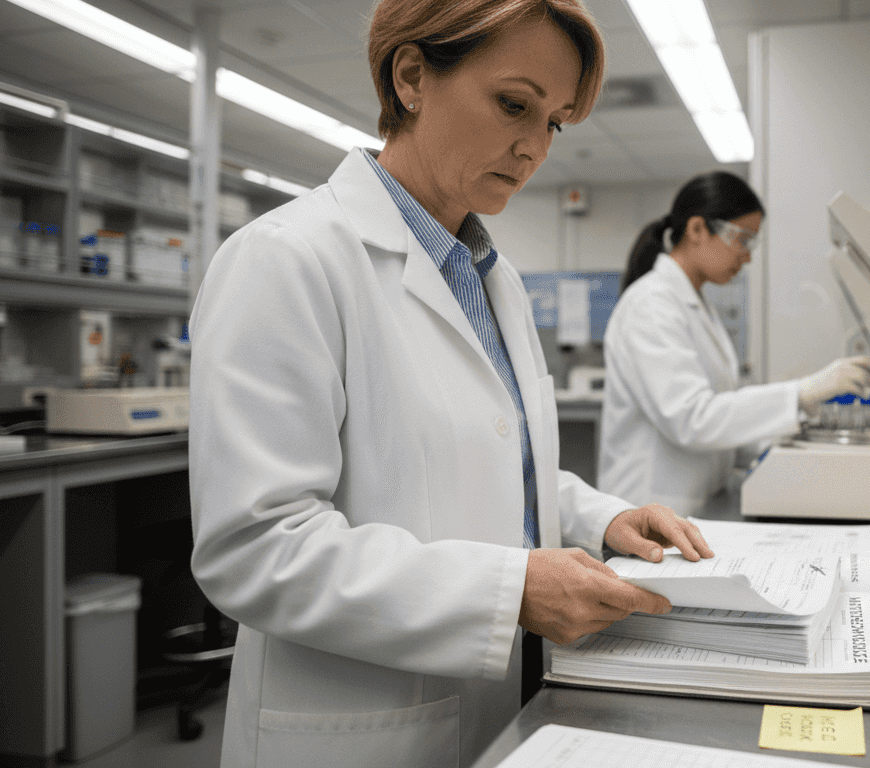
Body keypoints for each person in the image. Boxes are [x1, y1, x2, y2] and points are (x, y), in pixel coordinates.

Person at [187, 2, 713, 767]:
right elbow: (256, 547)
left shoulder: (490, 277)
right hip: (358, 730)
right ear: (411, 78)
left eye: (555, 123)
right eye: (513, 104)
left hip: (503, 709)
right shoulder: (285, 259)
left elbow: (495, 463)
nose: (535, 147)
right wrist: (509, 592)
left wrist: (601, 518)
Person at [599, 172, 870, 516]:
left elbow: (722, 419)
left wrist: (801, 429)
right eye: (743, 239)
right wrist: (799, 393)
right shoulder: (650, 306)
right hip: (647, 512)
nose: (747, 257)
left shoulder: (697, 307)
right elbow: (691, 420)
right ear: (697, 229)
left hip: (690, 509)